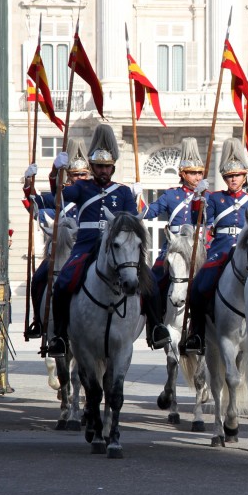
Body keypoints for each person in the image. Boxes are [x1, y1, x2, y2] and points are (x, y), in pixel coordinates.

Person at [43, 125, 166, 357]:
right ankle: (59, 335)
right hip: (86, 246)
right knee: (62, 283)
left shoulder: (122, 192)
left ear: (113, 168)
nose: (103, 171)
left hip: (116, 249)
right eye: (99, 166)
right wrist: (54, 172)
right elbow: (58, 196)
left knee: (150, 282)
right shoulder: (81, 187)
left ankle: (157, 326)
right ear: (92, 167)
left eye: (107, 167)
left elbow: (132, 223)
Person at [182, 138, 248, 355]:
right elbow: (198, 219)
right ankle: (198, 333)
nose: (233, 180)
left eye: (236, 175)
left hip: (247, 252)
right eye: (229, 176)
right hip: (220, 250)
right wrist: (198, 198)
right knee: (200, 287)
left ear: (244, 176)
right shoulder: (215, 198)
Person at [20, 139, 89, 338]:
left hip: (82, 251)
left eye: (84, 174)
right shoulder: (58, 196)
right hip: (60, 253)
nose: (80, 178)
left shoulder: (91, 196)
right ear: (69, 176)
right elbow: (33, 205)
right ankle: (39, 321)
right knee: (38, 280)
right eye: (76, 174)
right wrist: (28, 182)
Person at [144, 138, 209, 343]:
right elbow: (151, 212)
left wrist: (201, 199)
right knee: (152, 282)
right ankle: (156, 326)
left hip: (196, 247)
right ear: (182, 174)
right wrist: (138, 200)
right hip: (172, 247)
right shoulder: (171, 195)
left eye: (199, 173)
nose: (197, 177)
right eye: (192, 173)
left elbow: (208, 220)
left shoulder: (208, 195)